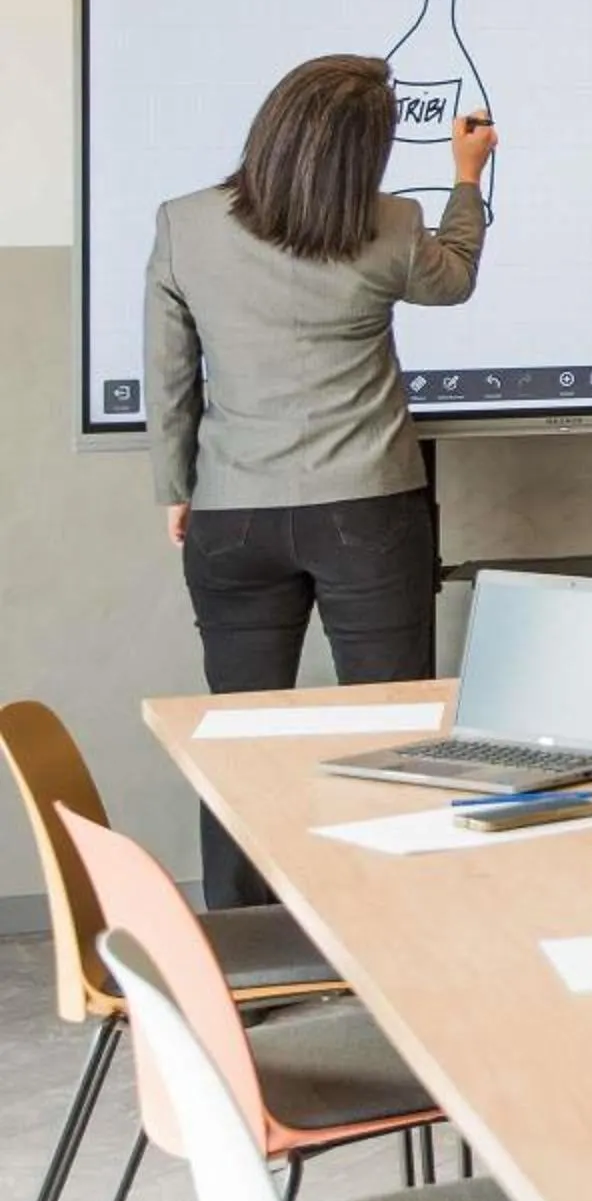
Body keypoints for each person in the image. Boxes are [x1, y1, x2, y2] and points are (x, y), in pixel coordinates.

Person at [147, 55, 493, 908]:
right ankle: (390, 921)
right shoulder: (392, 225)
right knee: (395, 730)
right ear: (364, 150)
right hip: (367, 512)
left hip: (233, 515)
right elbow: (453, 282)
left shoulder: (185, 223)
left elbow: (169, 372)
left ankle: (242, 947)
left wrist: (175, 486)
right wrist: (466, 179)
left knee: (238, 735)